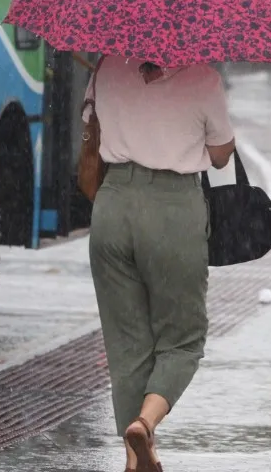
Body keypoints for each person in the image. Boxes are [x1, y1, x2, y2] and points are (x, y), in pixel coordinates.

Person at [84, 57, 235, 472]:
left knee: (127, 341)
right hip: (173, 210)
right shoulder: (203, 78)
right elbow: (221, 155)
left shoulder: (107, 69)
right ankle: (145, 423)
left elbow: (92, 127)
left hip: (112, 206)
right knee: (183, 339)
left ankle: (134, 456)